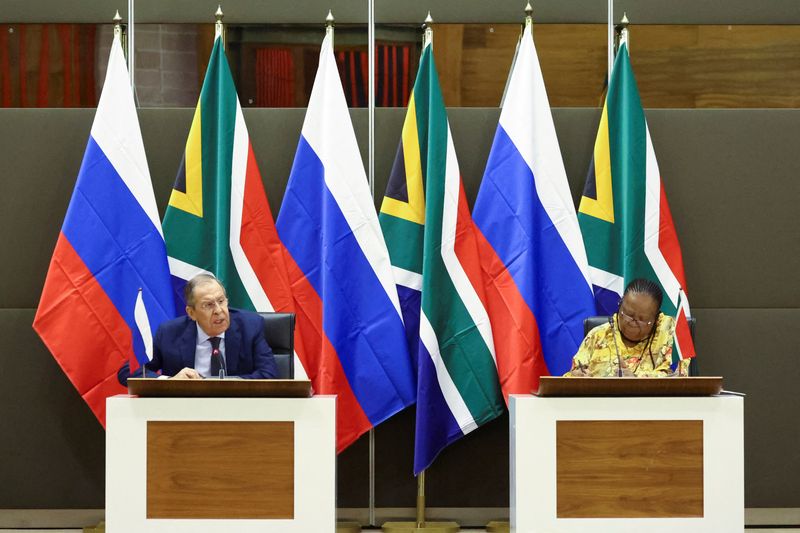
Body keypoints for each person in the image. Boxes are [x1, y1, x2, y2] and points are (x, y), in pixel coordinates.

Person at [118, 274, 276, 383]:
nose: (219, 310)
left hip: (239, 411)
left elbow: (269, 375)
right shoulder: (169, 333)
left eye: (221, 301)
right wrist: (170, 381)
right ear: (191, 313)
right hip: (185, 414)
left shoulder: (251, 326)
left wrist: (229, 384)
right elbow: (130, 371)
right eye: (208, 305)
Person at [565, 278, 690, 377]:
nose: (632, 322)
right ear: (620, 305)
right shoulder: (598, 335)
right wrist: (577, 378)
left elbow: (680, 375)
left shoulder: (672, 331)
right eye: (628, 314)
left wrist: (636, 380)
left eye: (642, 320)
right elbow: (572, 376)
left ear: (656, 318)